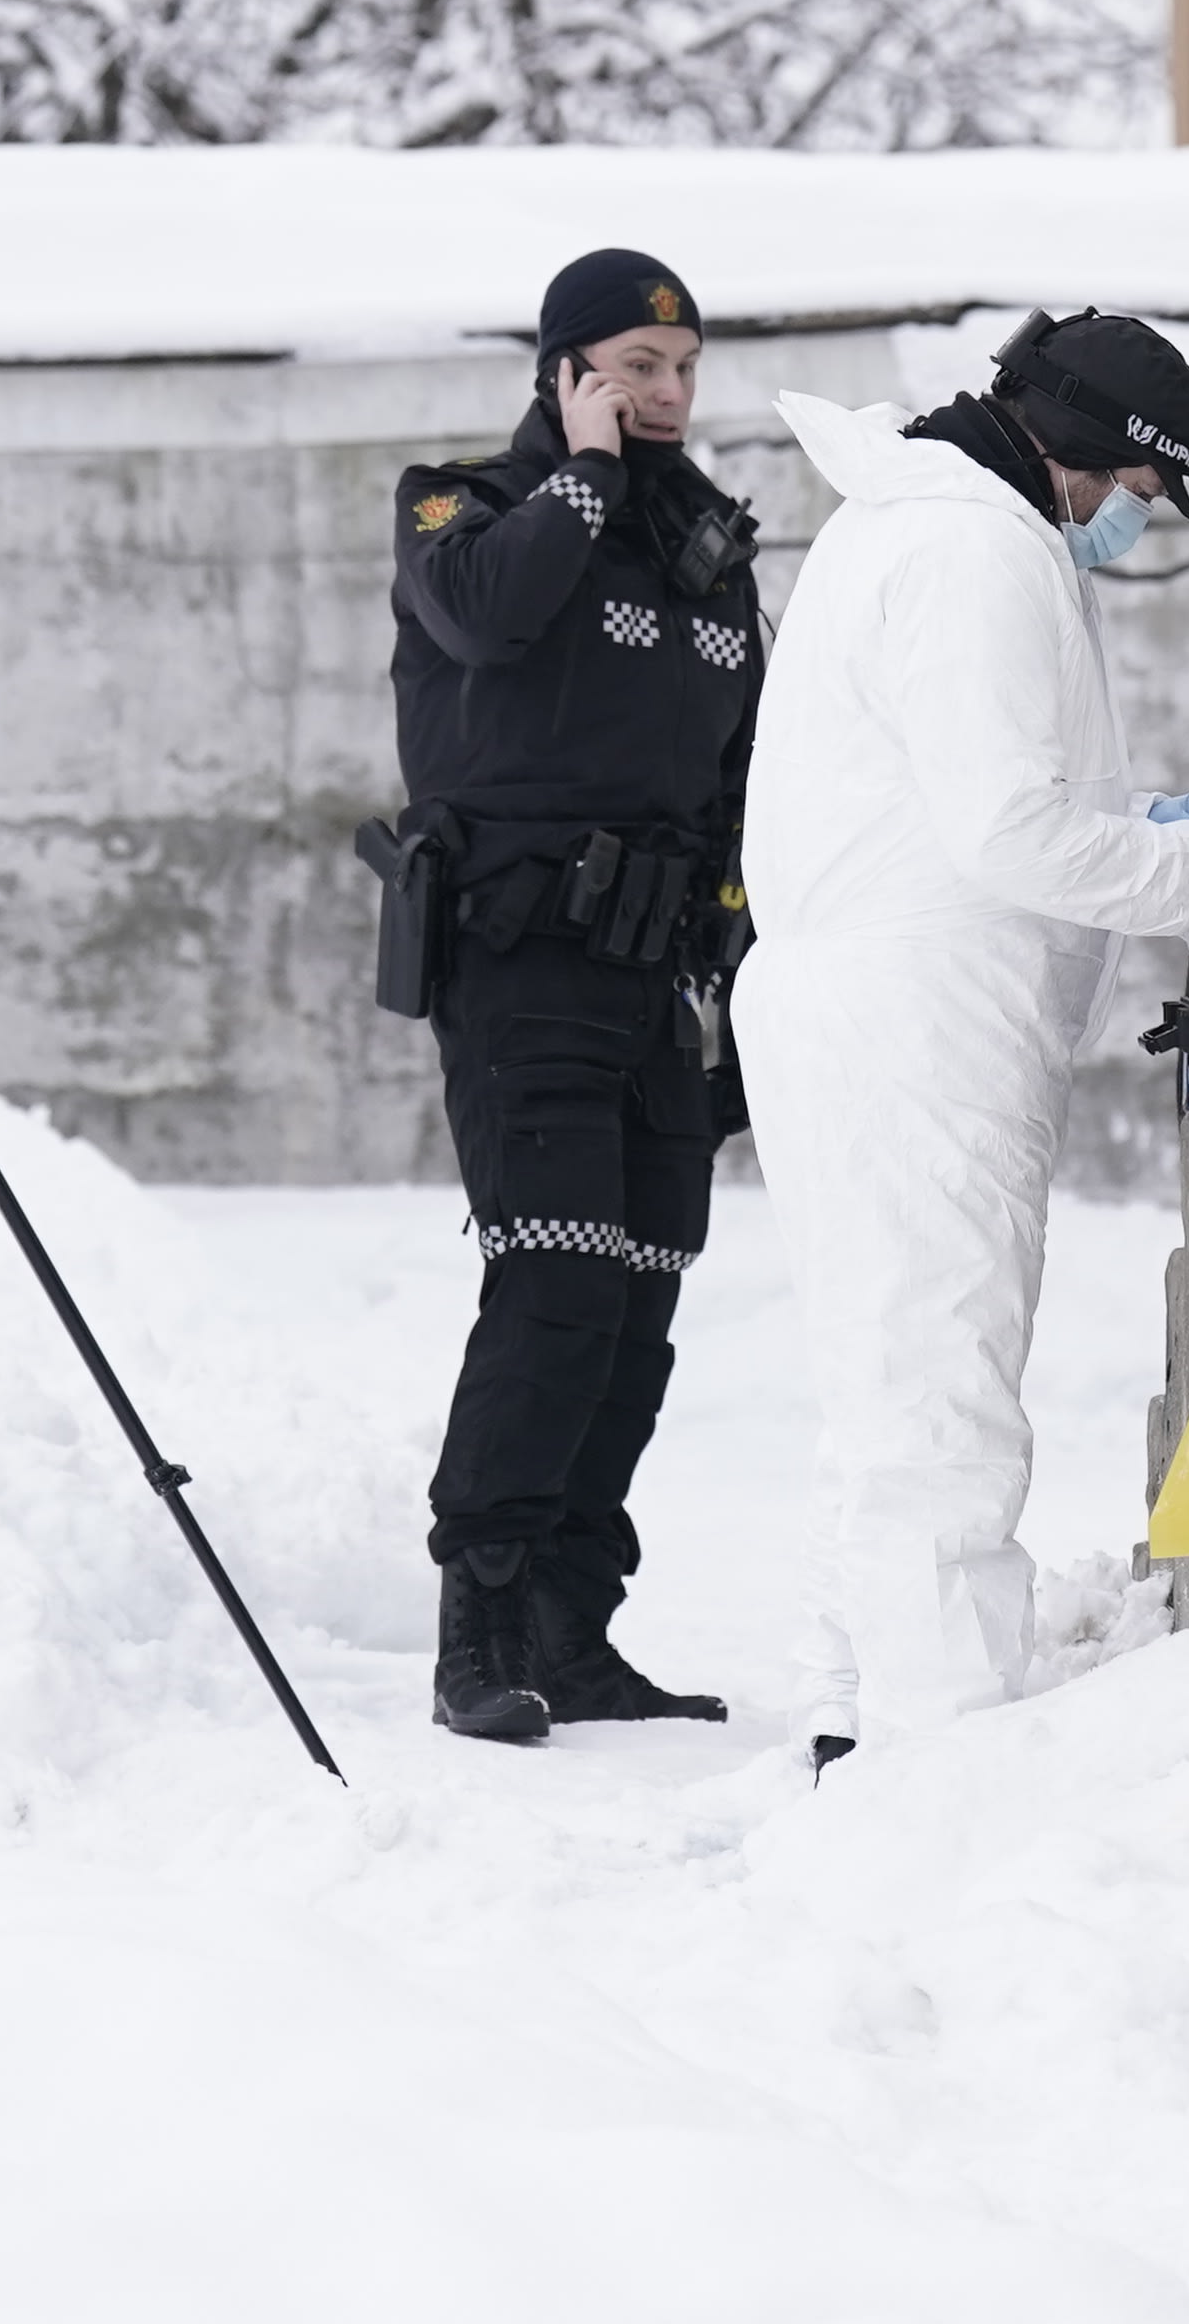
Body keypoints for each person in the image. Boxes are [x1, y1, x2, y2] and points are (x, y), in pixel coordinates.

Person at [735, 308, 1189, 1768]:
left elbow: (957, 795)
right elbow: (1006, 834)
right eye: (1139, 489)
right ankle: (938, 1749)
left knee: (884, 1384)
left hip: (872, 999)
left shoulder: (919, 521)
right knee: (941, 1397)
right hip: (918, 1020)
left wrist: (1136, 821)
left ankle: (852, 1715)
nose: (1131, 520)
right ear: (1086, 452)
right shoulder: (973, 551)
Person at [381, 245, 766, 1745]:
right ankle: (476, 1632)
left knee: (638, 1302)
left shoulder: (707, 551)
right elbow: (486, 618)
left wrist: (742, 974)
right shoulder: (465, 508)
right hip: (521, 957)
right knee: (553, 1288)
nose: (668, 394)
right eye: (635, 369)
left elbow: (740, 782)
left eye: (684, 370)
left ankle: (572, 1630)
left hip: (661, 972)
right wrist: (587, 478)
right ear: (567, 375)